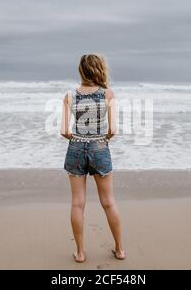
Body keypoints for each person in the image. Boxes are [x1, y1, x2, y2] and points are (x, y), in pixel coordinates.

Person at [60, 54, 125, 263]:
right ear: (99, 69)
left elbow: (63, 131)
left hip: (76, 147)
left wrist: (78, 139)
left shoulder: (70, 95)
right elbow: (113, 129)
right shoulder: (108, 94)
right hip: (100, 147)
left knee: (77, 204)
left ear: (81, 71)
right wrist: (102, 140)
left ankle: (79, 253)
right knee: (108, 202)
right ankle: (120, 249)